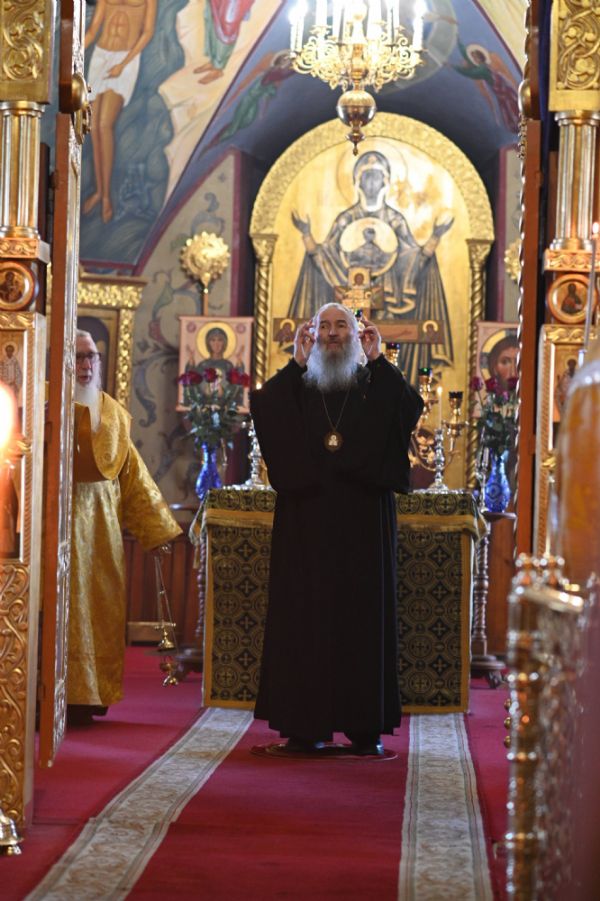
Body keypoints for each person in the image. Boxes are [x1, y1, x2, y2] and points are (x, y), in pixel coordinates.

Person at [250, 303, 423, 755]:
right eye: (323, 326)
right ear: (312, 334)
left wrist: (379, 360)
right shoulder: (299, 383)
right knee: (304, 621)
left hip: (363, 526)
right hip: (307, 527)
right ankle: (305, 727)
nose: (331, 334)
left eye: (341, 326)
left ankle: (365, 730)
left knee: (363, 624)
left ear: (356, 334)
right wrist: (296, 362)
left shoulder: (372, 383)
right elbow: (266, 409)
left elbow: (408, 408)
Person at [68, 330, 182, 724]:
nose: (85, 365)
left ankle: (89, 696)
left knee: (98, 611)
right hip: (50, 535)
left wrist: (156, 529)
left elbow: (133, 477)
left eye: (91, 357)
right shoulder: (40, 403)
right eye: (77, 357)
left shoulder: (113, 415)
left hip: (101, 538)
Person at [288, 150, 454, 385]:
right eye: (367, 177)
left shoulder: (395, 220)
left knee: (386, 360)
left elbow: (413, 259)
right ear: (358, 181)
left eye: (377, 177)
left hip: (389, 302)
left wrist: (435, 237)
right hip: (348, 294)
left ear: (385, 181)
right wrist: (306, 235)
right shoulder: (346, 219)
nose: (372, 183)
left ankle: (383, 377)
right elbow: (326, 256)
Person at [84, 0, 157, 222]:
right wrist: (73, 55)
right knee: (93, 126)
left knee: (105, 124)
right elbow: (93, 29)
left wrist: (123, 64)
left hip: (125, 59)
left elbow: (147, 33)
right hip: (100, 56)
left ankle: (107, 197)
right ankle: (98, 192)